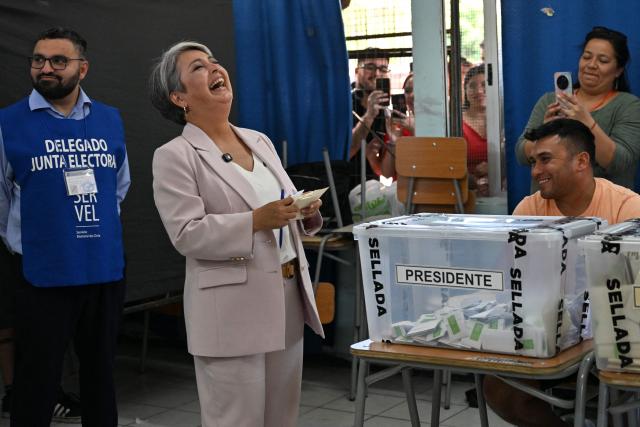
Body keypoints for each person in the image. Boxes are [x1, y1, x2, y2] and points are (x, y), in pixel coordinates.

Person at [150, 41, 325, 427]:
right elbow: (187, 233)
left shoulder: (258, 140)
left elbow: (280, 205)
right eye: (198, 67)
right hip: (229, 309)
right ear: (179, 97)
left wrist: (303, 211)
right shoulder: (175, 155)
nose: (215, 69)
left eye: (214, 61)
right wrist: (255, 221)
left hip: (286, 296)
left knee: (281, 417)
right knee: (236, 420)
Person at [0, 27, 130, 426]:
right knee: (36, 380)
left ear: (83, 68)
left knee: (100, 377)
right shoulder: (9, 123)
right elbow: (3, 197)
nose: (46, 68)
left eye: (59, 60)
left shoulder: (110, 119)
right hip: (42, 272)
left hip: (102, 270)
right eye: (39, 60)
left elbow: (118, 187)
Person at [485, 118, 640, 427]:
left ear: (581, 161)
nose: (535, 172)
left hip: (613, 342)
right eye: (532, 161)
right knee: (497, 388)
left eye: (545, 160)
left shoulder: (628, 208)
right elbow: (509, 284)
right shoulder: (528, 210)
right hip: (546, 339)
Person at [515, 26, 640, 192]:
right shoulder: (549, 100)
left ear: (618, 70)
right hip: (548, 206)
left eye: (603, 61)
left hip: (603, 209)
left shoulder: (629, 105)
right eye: (586, 57)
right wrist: (543, 135)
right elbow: (521, 154)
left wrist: (585, 121)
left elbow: (621, 163)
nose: (591, 65)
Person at [350, 47, 394, 181]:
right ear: (357, 72)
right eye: (370, 67)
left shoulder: (385, 111)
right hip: (342, 185)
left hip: (371, 190)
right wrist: (369, 115)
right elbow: (344, 152)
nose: (377, 73)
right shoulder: (343, 104)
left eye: (383, 69)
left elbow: (387, 173)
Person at [462, 65, 489, 196]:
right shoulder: (456, 123)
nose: (479, 91)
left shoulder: (505, 120)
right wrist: (474, 181)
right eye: (472, 86)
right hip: (467, 193)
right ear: (465, 91)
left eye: (485, 85)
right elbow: (450, 165)